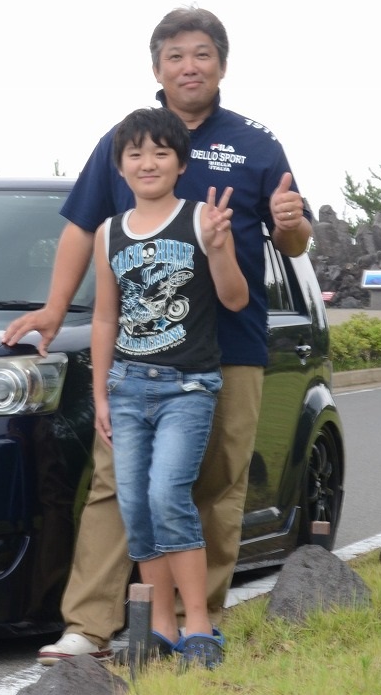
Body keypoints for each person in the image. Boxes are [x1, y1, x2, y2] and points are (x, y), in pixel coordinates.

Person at [1, 6, 312, 664]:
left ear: (221, 64)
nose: (188, 66)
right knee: (120, 484)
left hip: (230, 347)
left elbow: (292, 237)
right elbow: (84, 226)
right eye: (175, 55)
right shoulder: (126, 139)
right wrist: (57, 308)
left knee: (215, 484)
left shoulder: (256, 143)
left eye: (201, 54)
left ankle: (197, 624)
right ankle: (89, 624)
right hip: (140, 357)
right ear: (156, 68)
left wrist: (291, 223)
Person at [92, 107, 248, 668]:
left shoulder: (201, 218)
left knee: (166, 495)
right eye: (135, 153)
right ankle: (158, 626)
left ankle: (199, 625)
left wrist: (220, 245)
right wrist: (101, 394)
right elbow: (106, 319)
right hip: (127, 387)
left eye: (160, 152)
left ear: (181, 162)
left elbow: (234, 299)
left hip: (188, 387)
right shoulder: (110, 231)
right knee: (135, 505)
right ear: (121, 166)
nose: (147, 162)